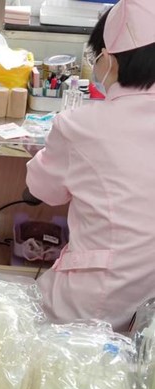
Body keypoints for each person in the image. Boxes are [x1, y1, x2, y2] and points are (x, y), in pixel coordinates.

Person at [26, 0, 155, 332]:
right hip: (147, 302)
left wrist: (42, 154)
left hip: (96, 300)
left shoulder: (80, 126)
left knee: (28, 324)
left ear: (108, 60)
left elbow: (44, 190)